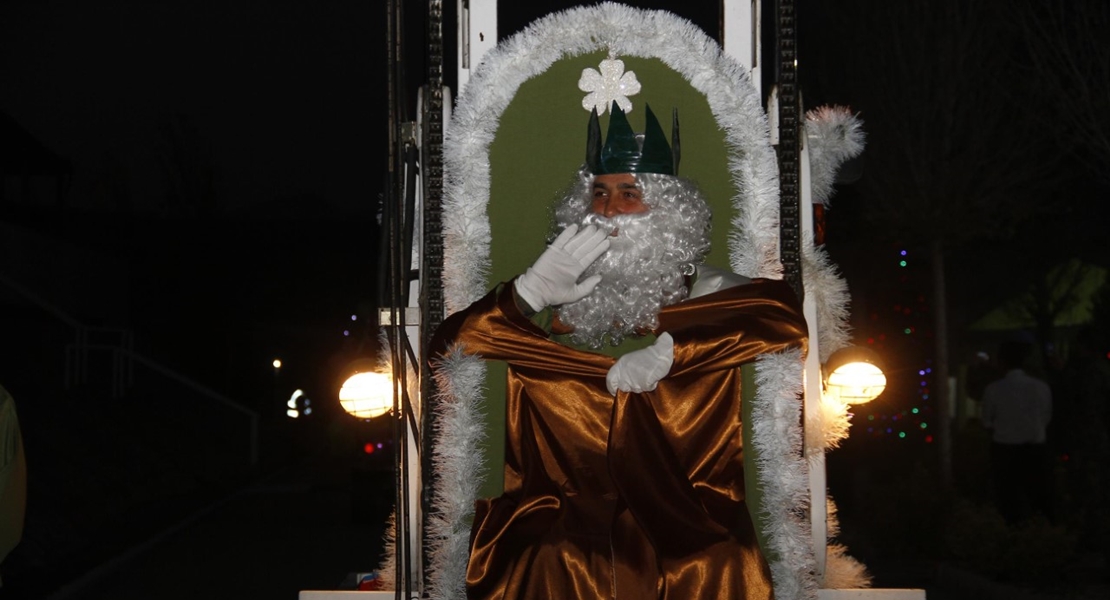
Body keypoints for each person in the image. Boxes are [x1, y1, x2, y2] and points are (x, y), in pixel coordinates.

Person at [430, 103, 807, 599]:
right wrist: (529, 292)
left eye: (629, 194)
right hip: (561, 507)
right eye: (599, 193)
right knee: (545, 558)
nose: (607, 210)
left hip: (686, 505)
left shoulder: (711, 292)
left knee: (717, 561)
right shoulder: (549, 306)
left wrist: (674, 352)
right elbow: (448, 349)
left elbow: (782, 317)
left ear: (670, 213)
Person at [980, 340, 1054, 525]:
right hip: (1036, 450)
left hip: (1004, 452)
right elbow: (1046, 417)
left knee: (1008, 504)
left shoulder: (993, 389)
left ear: (1001, 361)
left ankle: (1011, 540)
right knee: (1039, 502)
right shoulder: (1041, 387)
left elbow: (987, 422)